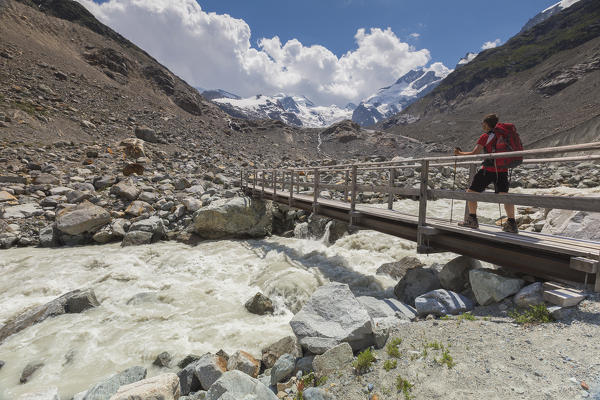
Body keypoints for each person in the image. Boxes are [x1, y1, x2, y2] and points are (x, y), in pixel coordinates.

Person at [454, 114, 518, 233]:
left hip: (488, 170)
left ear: (487, 124)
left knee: (471, 192)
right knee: (504, 195)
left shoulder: (485, 137)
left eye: (483, 124)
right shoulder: (503, 135)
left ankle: (472, 220)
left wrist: (459, 154)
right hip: (503, 170)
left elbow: (474, 153)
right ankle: (512, 223)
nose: (482, 126)